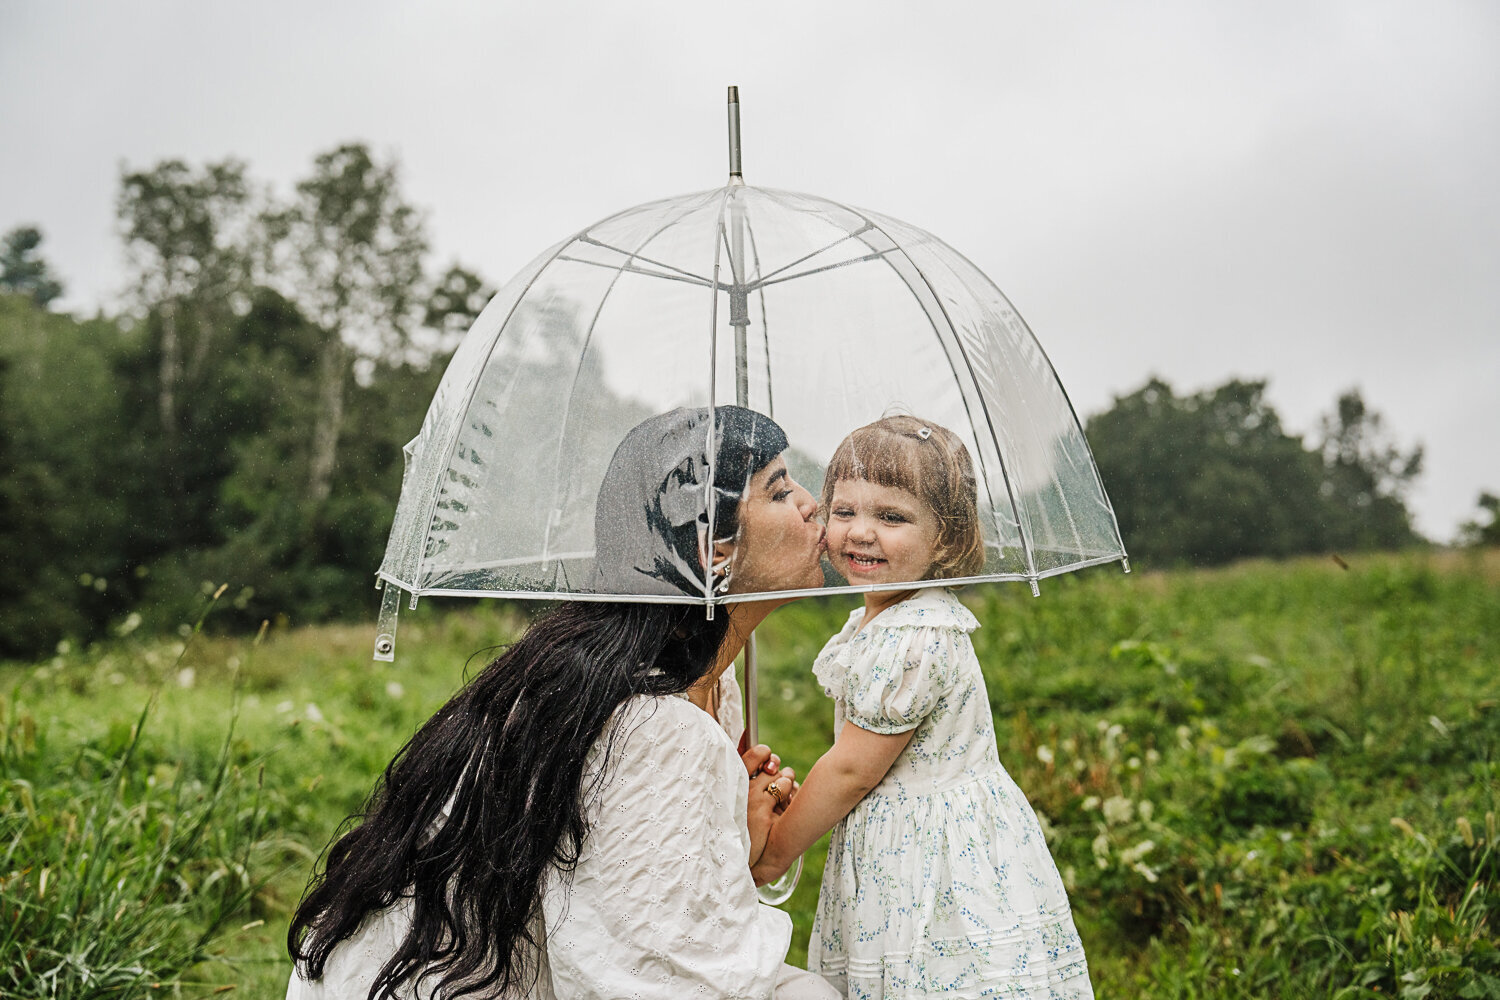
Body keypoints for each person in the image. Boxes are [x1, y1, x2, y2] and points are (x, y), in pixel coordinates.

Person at [286, 406, 838, 1000]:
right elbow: (655, 979)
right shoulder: (657, 726)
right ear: (715, 549)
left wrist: (733, 842)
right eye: (780, 491)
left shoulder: (703, 691)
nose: (812, 504)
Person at [751, 415, 1094, 999]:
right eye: (844, 511)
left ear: (946, 537)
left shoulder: (913, 637)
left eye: (892, 517)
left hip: (930, 856)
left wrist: (775, 852)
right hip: (920, 834)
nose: (861, 532)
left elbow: (853, 770)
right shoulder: (883, 620)